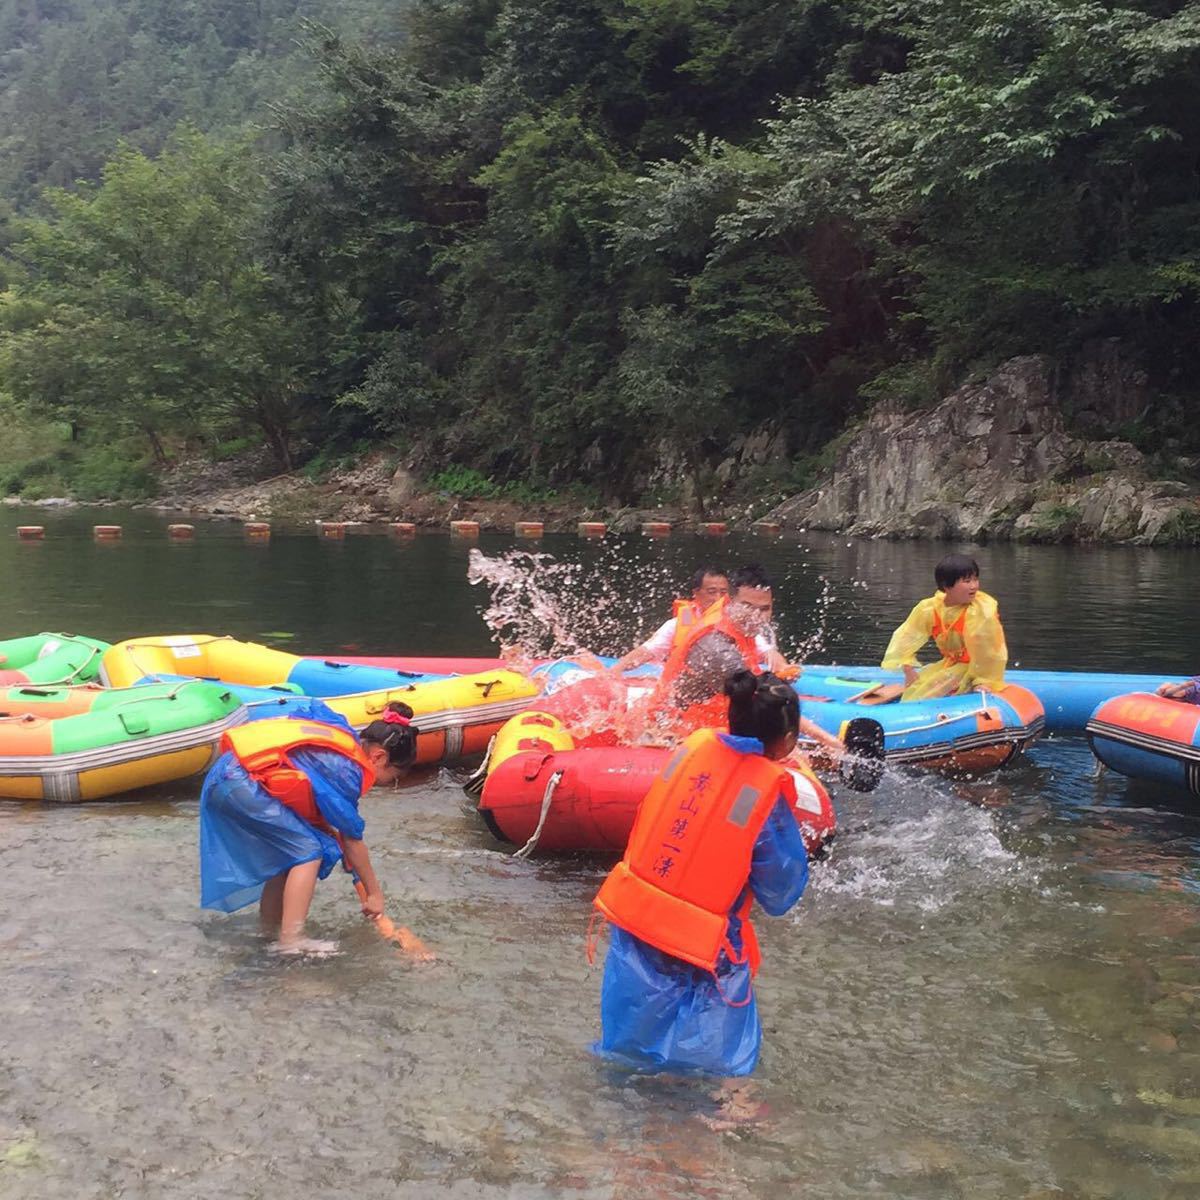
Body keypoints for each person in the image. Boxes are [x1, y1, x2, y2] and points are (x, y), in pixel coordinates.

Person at [590, 669, 809, 1077]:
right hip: (704, 945)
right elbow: (781, 892)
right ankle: (729, 1113)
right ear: (789, 742)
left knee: (628, 1049)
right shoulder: (763, 796)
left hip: (637, 923)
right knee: (723, 1066)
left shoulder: (692, 754)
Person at [199, 701, 418, 955]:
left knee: (289, 854)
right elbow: (352, 840)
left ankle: (269, 931)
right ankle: (291, 940)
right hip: (240, 783)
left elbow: (314, 796)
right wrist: (375, 895)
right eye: (394, 776)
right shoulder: (349, 771)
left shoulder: (342, 742)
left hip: (226, 775)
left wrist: (332, 833)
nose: (391, 783)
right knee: (309, 851)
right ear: (379, 757)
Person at [656, 564, 840, 753]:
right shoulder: (716, 647)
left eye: (764, 609)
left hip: (711, 726)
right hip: (671, 733)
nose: (756, 617)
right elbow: (766, 700)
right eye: (747, 607)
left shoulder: (740, 624)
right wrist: (831, 743)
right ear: (729, 602)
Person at [880, 553, 1007, 701]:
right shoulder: (929, 608)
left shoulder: (981, 610)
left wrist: (984, 681)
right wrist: (908, 669)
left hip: (973, 668)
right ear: (947, 586)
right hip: (949, 665)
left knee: (926, 694)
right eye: (967, 581)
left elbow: (990, 652)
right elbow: (905, 637)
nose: (974, 586)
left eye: (975, 579)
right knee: (916, 690)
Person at [611, 566, 730, 673]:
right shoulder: (679, 623)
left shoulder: (736, 620)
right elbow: (648, 650)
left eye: (723, 592)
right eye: (712, 592)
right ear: (696, 593)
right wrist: (616, 670)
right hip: (689, 685)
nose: (718, 598)